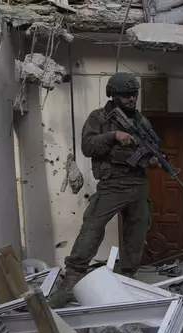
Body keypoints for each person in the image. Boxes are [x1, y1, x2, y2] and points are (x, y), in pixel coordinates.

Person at [49, 72, 158, 308]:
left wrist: (151, 161)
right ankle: (72, 278)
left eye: (134, 94)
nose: (131, 99)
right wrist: (113, 135)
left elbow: (148, 152)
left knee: (137, 231)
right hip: (112, 184)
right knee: (92, 227)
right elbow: (88, 147)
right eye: (126, 95)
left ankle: (128, 275)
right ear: (113, 95)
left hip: (138, 183)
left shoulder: (142, 121)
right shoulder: (98, 118)